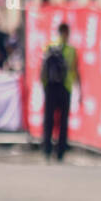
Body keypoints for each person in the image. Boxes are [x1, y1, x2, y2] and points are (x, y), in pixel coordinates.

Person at [41, 22, 77, 162]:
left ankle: (47, 150)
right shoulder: (71, 50)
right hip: (65, 88)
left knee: (48, 119)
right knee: (63, 121)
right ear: (67, 33)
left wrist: (44, 85)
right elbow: (74, 69)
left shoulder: (49, 46)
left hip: (50, 87)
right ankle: (60, 151)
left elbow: (43, 69)